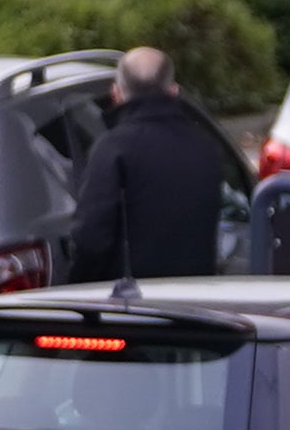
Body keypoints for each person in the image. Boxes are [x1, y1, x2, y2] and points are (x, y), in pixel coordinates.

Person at [59, 45, 231, 286]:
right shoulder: (207, 146)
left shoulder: (112, 149)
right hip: (196, 300)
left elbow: (91, 238)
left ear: (116, 94)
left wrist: (77, 288)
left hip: (136, 307)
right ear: (173, 91)